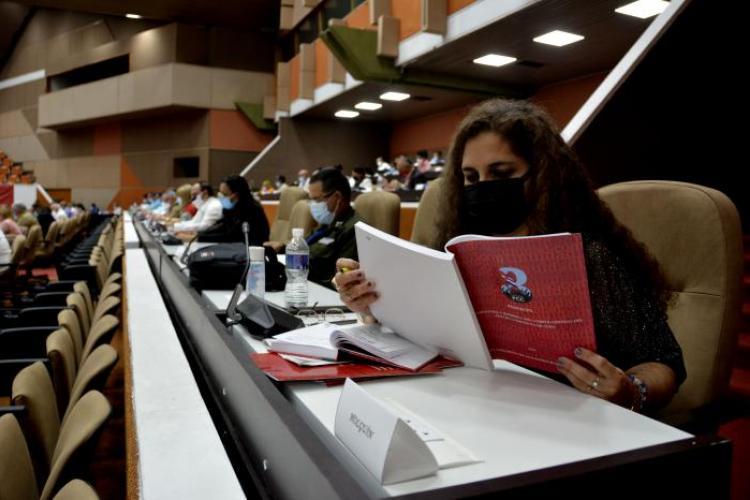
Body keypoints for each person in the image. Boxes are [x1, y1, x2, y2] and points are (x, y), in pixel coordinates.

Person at [333, 98, 686, 413]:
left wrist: (630, 391)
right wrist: (371, 303)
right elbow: (429, 331)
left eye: (500, 173)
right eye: (471, 177)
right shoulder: (457, 250)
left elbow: (663, 362)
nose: (482, 186)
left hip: (570, 422)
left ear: (543, 175)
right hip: (476, 409)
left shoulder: (591, 256)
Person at [198, 175, 269, 244]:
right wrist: (200, 234)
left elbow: (232, 236)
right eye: (220, 194)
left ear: (236, 194)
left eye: (225, 194)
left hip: (251, 248)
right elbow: (222, 226)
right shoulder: (230, 208)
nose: (221, 198)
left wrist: (201, 238)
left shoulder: (252, 210)